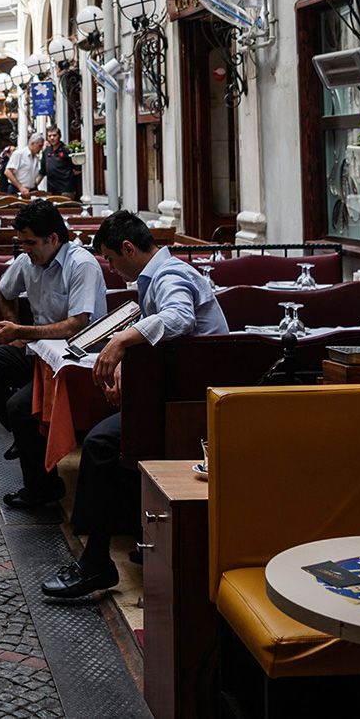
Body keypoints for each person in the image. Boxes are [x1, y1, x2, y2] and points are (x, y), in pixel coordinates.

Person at [43, 211, 227, 599]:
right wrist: (130, 362)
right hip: (178, 393)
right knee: (113, 433)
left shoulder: (168, 275)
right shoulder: (159, 274)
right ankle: (146, 537)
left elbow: (178, 318)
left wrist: (122, 342)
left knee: (99, 445)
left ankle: (95, 564)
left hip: (191, 405)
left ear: (128, 248)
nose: (110, 267)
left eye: (111, 258)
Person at [0, 200, 109, 510]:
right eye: (21, 242)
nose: (24, 248)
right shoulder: (28, 261)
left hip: (75, 360)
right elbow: (4, 289)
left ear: (53, 239)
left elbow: (77, 324)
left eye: (30, 242)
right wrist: (14, 330)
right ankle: (26, 437)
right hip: (37, 353)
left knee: (20, 407)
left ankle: (42, 488)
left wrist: (21, 331)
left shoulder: (80, 264)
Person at [39, 125, 79, 197]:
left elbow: (77, 169)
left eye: (54, 135)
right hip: (51, 190)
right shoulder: (46, 152)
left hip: (66, 190)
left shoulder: (67, 150)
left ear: (59, 136)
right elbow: (42, 171)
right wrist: (34, 184)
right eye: (49, 136)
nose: (52, 138)